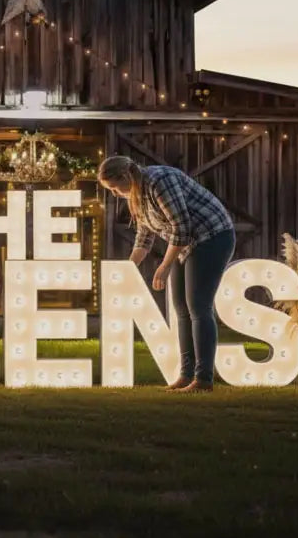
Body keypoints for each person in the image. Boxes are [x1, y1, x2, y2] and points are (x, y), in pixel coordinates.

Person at [97, 156, 235, 392]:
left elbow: (182, 226)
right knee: (180, 308)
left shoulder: (160, 180)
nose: (114, 193)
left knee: (198, 306)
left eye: (113, 187)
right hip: (186, 244)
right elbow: (145, 235)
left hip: (212, 237)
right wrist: (129, 268)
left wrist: (165, 264)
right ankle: (186, 374)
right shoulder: (137, 195)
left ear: (126, 177)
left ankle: (203, 379)